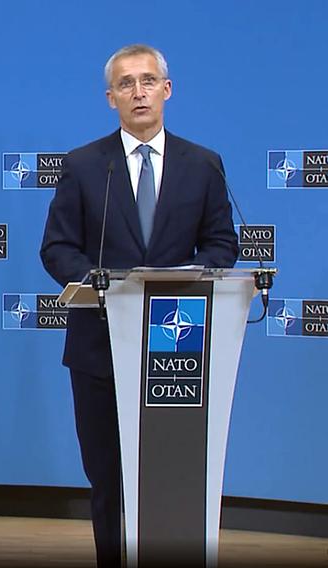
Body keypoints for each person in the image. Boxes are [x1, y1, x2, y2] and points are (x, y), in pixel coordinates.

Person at [40, 44, 238, 568]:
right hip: (98, 350)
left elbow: (222, 243)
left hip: (177, 350)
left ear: (167, 90)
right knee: (107, 477)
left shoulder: (203, 164)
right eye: (126, 84)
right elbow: (57, 247)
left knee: (170, 474)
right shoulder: (85, 166)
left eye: (148, 81)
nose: (139, 92)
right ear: (111, 99)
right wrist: (101, 283)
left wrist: (193, 276)